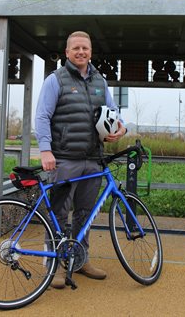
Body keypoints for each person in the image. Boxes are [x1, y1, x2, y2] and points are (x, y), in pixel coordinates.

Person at [35, 31, 127, 289]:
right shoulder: (56, 80)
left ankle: (80, 261)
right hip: (64, 159)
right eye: (75, 48)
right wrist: (45, 150)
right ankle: (53, 267)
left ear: (90, 51)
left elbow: (113, 112)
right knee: (59, 214)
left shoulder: (100, 81)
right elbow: (42, 116)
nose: (81, 52)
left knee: (85, 214)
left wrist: (121, 129)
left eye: (85, 48)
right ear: (67, 52)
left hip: (93, 159)